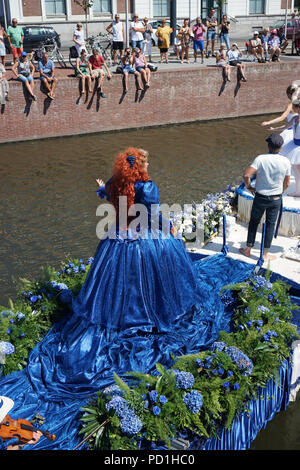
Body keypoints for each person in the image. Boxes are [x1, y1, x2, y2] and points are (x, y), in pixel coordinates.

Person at [239, 133, 291, 261]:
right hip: (276, 199)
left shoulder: (261, 159)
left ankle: (248, 249)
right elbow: (287, 183)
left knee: (254, 222)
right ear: (281, 147)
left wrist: (249, 187)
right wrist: (280, 192)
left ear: (268, 145)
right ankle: (265, 254)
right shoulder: (286, 161)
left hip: (261, 197)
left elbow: (246, 175)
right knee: (270, 225)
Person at [270, 91, 300, 197]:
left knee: (297, 169)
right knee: (296, 170)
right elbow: (285, 127)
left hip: (299, 147)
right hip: (294, 146)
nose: (294, 109)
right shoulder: (294, 118)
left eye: (295, 107)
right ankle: (298, 191)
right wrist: (275, 128)